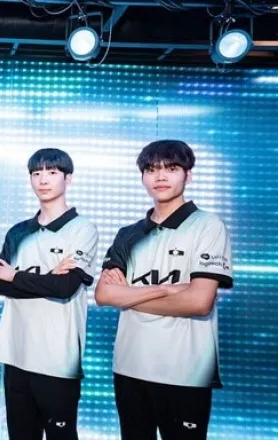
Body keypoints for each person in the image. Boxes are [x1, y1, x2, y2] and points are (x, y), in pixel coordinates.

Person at [95, 140, 233, 440]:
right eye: (151, 169)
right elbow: (104, 296)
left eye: (171, 168)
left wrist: (128, 296)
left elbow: (199, 302)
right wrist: (169, 290)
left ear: (188, 175)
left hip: (186, 372)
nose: (160, 176)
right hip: (129, 367)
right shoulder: (128, 234)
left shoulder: (208, 226)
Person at [0, 148, 99, 440]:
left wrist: (17, 277)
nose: (43, 180)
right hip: (15, 354)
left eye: (52, 172)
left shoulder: (82, 229)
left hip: (57, 358)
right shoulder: (18, 232)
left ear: (68, 178)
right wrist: (48, 278)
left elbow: (65, 289)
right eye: (36, 173)